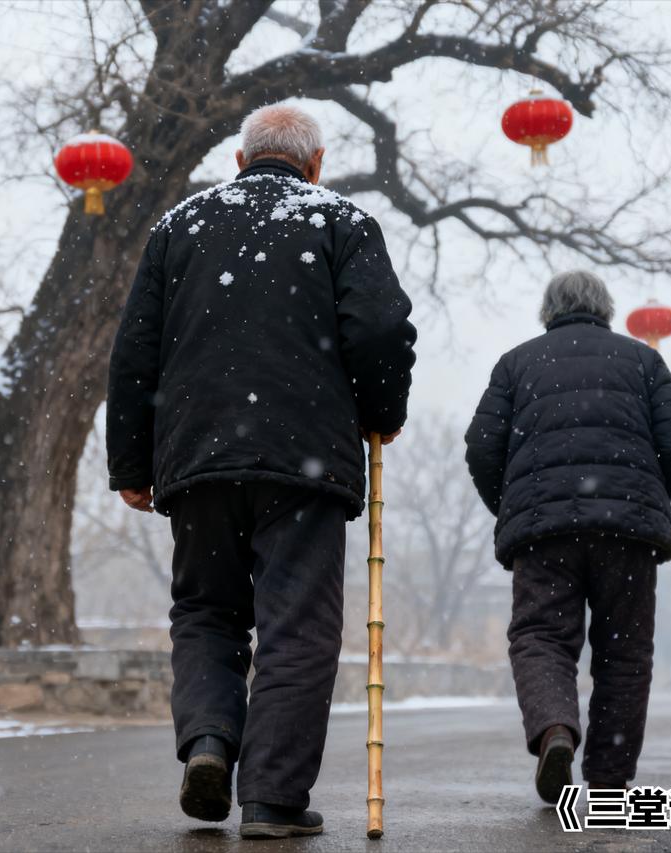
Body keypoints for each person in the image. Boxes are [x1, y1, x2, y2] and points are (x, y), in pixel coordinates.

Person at [106, 103, 417, 838]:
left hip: (198, 456)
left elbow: (134, 351)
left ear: (240, 162)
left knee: (207, 611)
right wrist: (382, 411)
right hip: (303, 461)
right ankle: (273, 798)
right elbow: (378, 328)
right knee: (296, 625)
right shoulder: (341, 222)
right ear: (317, 165)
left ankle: (210, 741)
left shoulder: (180, 226)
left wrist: (132, 463)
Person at [464, 271, 671, 802]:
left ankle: (556, 729)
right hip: (627, 533)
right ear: (606, 309)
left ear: (547, 312)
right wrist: (646, 496)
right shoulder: (643, 362)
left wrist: (518, 506)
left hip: (544, 536)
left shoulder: (515, 363)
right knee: (625, 651)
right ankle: (610, 778)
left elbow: (482, 446)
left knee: (541, 636)